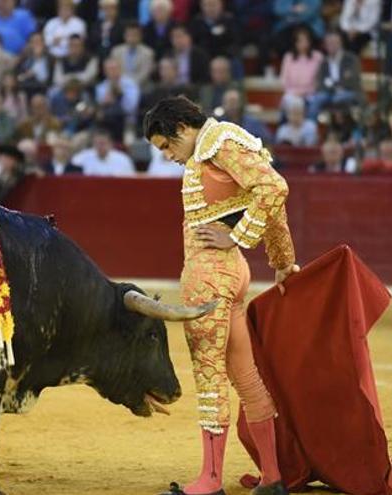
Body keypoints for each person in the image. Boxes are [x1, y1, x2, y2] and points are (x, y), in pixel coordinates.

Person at [144, 95, 298, 495]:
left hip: (211, 274)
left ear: (181, 129)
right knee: (246, 377)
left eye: (166, 146)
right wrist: (282, 259)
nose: (168, 156)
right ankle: (272, 477)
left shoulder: (217, 143)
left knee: (210, 375)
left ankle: (210, 481)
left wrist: (237, 237)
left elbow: (274, 188)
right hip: (232, 274)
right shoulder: (225, 143)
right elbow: (270, 198)